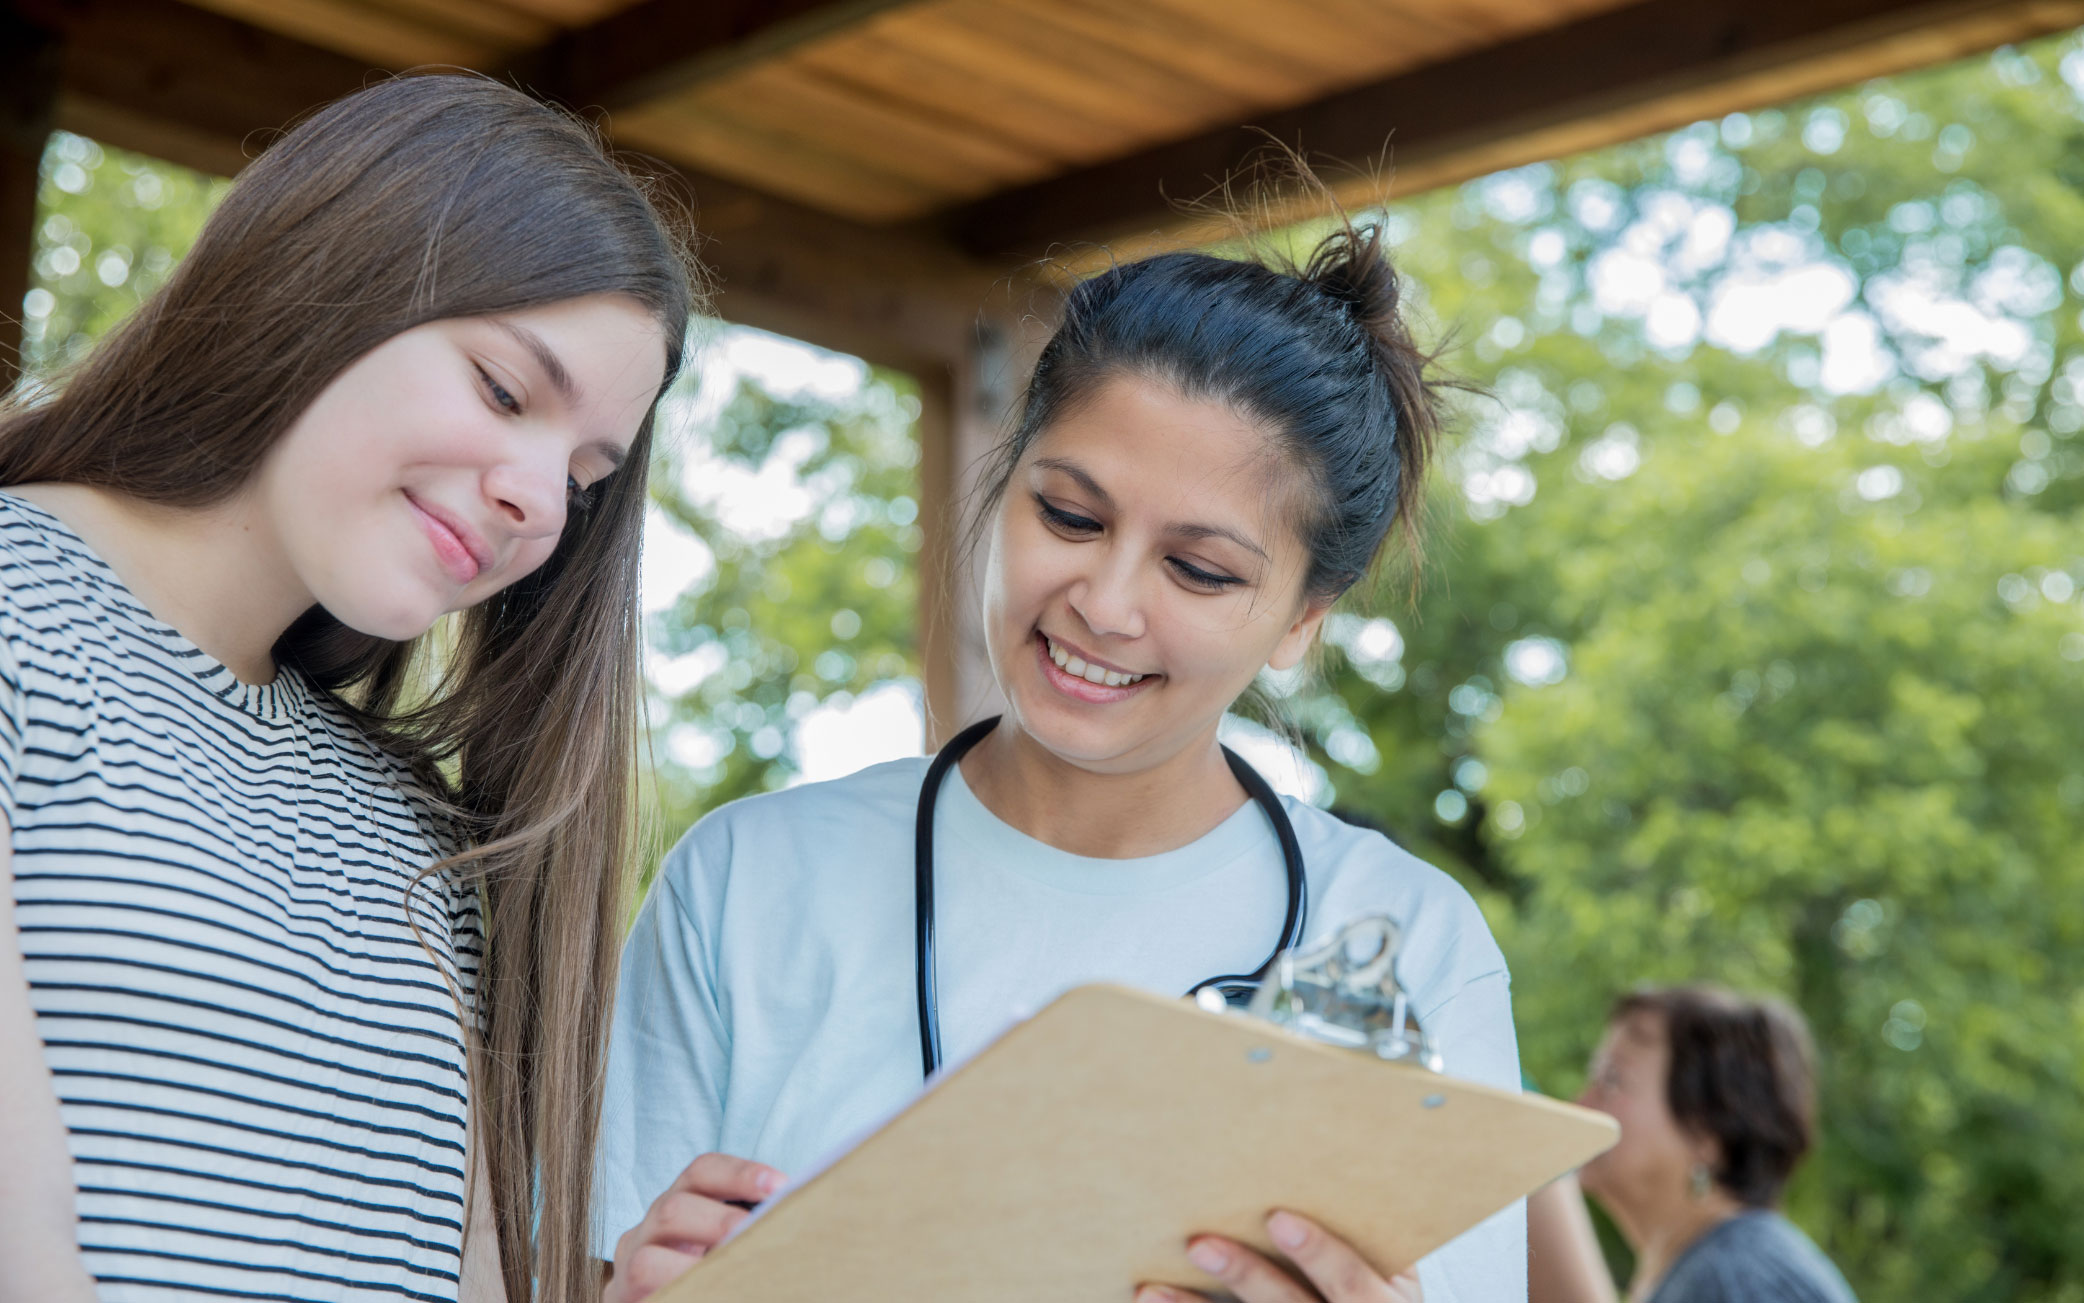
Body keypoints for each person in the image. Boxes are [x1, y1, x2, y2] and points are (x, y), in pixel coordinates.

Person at [595, 214, 1522, 1303]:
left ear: (1301, 621)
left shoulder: (1410, 942)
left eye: (1200, 570)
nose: (1105, 602)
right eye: (1069, 515)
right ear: (1004, 477)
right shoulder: (745, 883)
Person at [0, 73, 693, 1303]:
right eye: (502, 388)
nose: (540, 499)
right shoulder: (20, 615)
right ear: (326, 276)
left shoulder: (419, 836)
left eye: (585, 476)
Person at [1573, 987, 1856, 1303]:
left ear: (1705, 1130)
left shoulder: (1736, 1280)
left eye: (1613, 1080)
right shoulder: (1710, 1271)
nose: (1582, 1104)